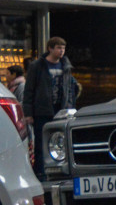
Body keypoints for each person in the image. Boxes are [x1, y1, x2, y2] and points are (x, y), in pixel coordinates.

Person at [23, 37, 80, 179]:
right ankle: (40, 172)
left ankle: (60, 171)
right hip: (42, 110)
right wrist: (28, 113)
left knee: (61, 141)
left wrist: (70, 106)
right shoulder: (38, 66)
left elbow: (70, 88)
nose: (61, 51)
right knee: (41, 143)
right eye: (58, 48)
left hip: (60, 110)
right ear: (50, 48)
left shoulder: (65, 66)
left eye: (63, 48)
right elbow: (29, 90)